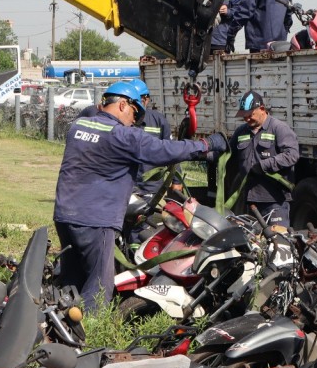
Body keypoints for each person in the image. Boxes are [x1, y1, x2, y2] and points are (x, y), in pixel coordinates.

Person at [54, 81, 228, 311]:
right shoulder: (122, 136)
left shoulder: (79, 126)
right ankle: (88, 337)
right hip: (96, 220)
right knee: (98, 286)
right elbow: (166, 151)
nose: (135, 121)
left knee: (71, 277)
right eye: (136, 113)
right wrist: (206, 145)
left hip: (65, 214)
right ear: (123, 104)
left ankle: (57, 320)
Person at [227, 89, 298, 227]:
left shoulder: (279, 128)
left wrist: (263, 165)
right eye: (244, 116)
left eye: (250, 115)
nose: (246, 119)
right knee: (256, 245)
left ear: (262, 109)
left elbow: (292, 155)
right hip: (251, 202)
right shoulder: (241, 131)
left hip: (275, 201)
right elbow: (227, 155)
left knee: (277, 243)